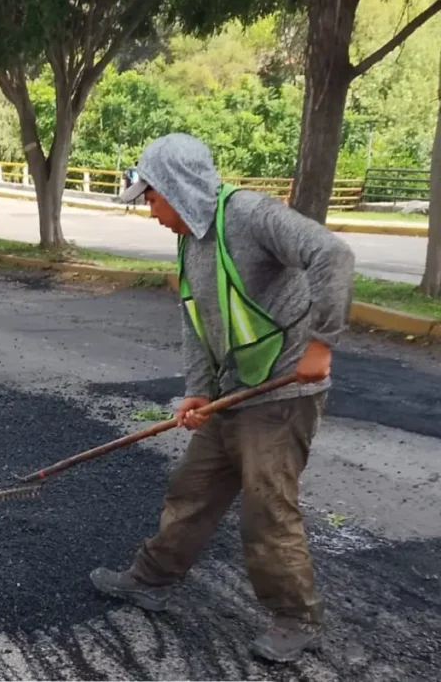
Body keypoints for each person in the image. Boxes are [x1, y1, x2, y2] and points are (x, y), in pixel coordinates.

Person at [91, 133, 355, 663]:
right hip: (232, 393)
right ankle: (151, 579)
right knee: (192, 490)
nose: (149, 209)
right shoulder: (191, 239)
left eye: (150, 197)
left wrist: (323, 342)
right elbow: (198, 322)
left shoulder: (251, 216)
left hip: (282, 393)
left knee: (267, 510)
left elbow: (333, 253)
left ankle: (297, 619)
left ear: (177, 188)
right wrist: (196, 392)